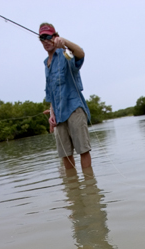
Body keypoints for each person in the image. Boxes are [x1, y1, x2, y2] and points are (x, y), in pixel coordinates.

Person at [39, 23, 92, 171]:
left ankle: (90, 187)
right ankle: (73, 191)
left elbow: (81, 54)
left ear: (55, 36)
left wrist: (65, 42)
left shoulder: (65, 53)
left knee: (83, 150)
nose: (45, 41)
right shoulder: (46, 64)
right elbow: (52, 92)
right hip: (59, 115)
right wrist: (52, 112)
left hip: (74, 108)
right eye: (42, 38)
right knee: (65, 155)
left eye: (48, 37)